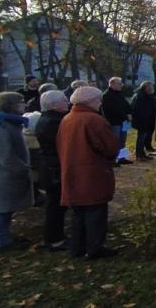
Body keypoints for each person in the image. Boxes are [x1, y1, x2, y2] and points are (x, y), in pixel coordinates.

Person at [58, 86, 121, 259]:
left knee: (78, 214)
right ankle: (95, 249)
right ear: (90, 101)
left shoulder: (67, 118)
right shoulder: (94, 120)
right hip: (92, 172)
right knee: (96, 212)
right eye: (98, 100)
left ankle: (77, 248)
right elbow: (109, 146)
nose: (100, 103)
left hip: (72, 171)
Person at [0, 92, 33, 251]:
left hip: (9, 175)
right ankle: (1, 241)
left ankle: (4, 237)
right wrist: (23, 169)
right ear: (10, 105)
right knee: (2, 210)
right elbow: (5, 156)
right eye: (21, 103)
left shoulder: (9, 123)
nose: (24, 106)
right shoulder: (0, 127)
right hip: (4, 176)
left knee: (6, 209)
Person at [35, 90, 70, 251]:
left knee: (57, 205)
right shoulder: (52, 122)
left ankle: (56, 236)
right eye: (64, 100)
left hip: (52, 166)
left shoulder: (51, 119)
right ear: (53, 105)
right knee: (55, 205)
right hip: (54, 168)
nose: (67, 102)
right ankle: (54, 239)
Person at [101, 77, 132, 165]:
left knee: (122, 140)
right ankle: (112, 160)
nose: (121, 85)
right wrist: (125, 116)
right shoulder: (107, 95)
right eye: (119, 83)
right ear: (112, 83)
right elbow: (112, 110)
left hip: (123, 122)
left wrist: (129, 113)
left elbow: (126, 105)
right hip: (114, 122)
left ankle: (122, 158)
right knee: (114, 141)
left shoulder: (119, 94)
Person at [130, 81, 156, 161]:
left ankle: (142, 153)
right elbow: (139, 110)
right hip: (142, 121)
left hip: (147, 120)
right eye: (151, 87)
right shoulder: (140, 96)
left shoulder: (147, 96)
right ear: (146, 88)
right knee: (141, 138)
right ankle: (139, 155)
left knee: (143, 137)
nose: (152, 88)